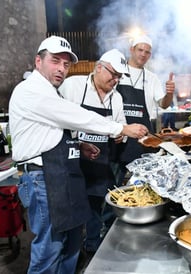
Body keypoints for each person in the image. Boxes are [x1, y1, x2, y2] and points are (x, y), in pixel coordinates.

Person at [8, 36, 148, 274]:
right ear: (38, 61)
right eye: (55, 61)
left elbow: (53, 130)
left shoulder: (52, 92)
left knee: (72, 244)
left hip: (65, 173)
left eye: (66, 64)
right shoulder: (31, 91)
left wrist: (78, 143)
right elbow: (73, 115)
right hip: (43, 179)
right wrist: (120, 128)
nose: (61, 69)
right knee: (49, 250)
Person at [59, 49, 128, 253]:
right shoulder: (72, 86)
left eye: (119, 77)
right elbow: (59, 119)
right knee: (72, 209)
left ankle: (92, 248)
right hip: (73, 161)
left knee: (96, 209)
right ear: (99, 67)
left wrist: (120, 135)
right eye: (112, 74)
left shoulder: (116, 98)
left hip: (100, 162)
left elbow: (121, 125)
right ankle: (69, 250)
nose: (115, 80)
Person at [114, 34, 175, 184]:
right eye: (140, 50)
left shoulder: (151, 77)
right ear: (131, 50)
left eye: (147, 52)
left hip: (143, 139)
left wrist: (170, 93)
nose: (143, 54)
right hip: (120, 136)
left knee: (144, 183)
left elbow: (164, 104)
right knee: (115, 182)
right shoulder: (118, 72)